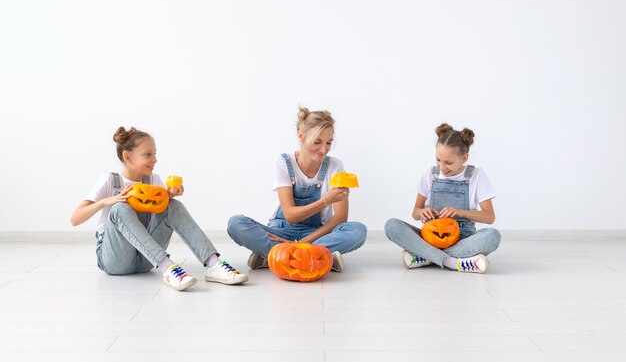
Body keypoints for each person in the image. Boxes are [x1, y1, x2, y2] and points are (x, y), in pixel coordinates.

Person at [70, 126, 248, 291]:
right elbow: (75, 219)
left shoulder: (153, 180)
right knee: (119, 209)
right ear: (127, 156)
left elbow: (163, 211)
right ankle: (168, 268)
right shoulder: (110, 181)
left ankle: (213, 264)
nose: (154, 160)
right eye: (148, 154)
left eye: (155, 154)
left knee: (171, 205)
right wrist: (106, 202)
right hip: (115, 261)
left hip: (145, 261)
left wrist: (169, 195)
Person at [227, 107, 367, 273]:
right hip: (280, 231)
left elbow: (340, 218)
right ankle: (319, 257)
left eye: (329, 143)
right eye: (317, 142)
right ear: (301, 136)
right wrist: (326, 201)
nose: (324, 149)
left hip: (318, 233)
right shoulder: (283, 162)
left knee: (358, 231)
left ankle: (278, 256)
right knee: (236, 224)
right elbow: (290, 215)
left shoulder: (335, 166)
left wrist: (303, 243)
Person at [385, 123, 501, 273]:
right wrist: (422, 213)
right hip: (430, 238)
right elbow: (415, 213)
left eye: (448, 162)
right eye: (438, 160)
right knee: (392, 225)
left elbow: (489, 217)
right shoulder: (429, 175)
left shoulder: (476, 175)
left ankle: (425, 256)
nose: (442, 167)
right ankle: (453, 262)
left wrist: (460, 212)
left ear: (464, 158)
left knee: (492, 236)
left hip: (462, 240)